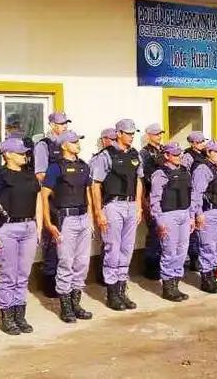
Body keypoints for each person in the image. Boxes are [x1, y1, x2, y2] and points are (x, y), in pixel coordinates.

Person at [0, 136, 43, 336]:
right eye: (20, 153)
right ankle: (7, 316)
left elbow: (38, 201)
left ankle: (20, 314)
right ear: (7, 155)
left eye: (25, 152)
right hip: (6, 230)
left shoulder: (29, 174)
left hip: (28, 228)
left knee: (23, 274)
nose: (25, 155)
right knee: (8, 275)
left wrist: (39, 227)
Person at [41, 130, 94, 323]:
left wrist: (92, 218)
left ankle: (76, 304)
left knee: (82, 264)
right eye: (73, 141)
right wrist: (47, 222)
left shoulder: (84, 166)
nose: (77, 144)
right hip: (66, 220)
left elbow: (88, 192)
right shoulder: (56, 168)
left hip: (83, 218)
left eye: (78, 141)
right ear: (64, 145)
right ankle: (65, 307)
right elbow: (44, 195)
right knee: (65, 262)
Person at [90, 118, 143, 311]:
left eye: (133, 133)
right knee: (113, 249)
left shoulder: (135, 154)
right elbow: (95, 184)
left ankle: (122, 290)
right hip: (113, 205)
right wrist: (98, 212)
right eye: (128, 133)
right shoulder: (106, 155)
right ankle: (112, 293)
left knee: (127, 250)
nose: (131, 137)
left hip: (130, 205)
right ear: (118, 133)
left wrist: (138, 205)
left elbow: (138, 180)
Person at [34, 111, 71, 298]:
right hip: (51, 199)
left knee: (65, 240)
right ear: (52, 125)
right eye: (61, 123)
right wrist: (57, 189)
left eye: (66, 123)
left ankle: (64, 281)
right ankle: (49, 281)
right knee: (51, 239)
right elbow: (40, 173)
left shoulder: (69, 144)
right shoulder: (44, 145)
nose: (64, 126)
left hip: (68, 200)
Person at [150, 142, 193, 302]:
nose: (178, 157)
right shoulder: (160, 174)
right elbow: (155, 200)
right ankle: (168, 287)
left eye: (179, 154)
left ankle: (176, 284)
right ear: (166, 155)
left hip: (184, 213)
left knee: (182, 251)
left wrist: (192, 216)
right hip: (168, 215)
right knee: (170, 251)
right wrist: (159, 221)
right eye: (174, 154)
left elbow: (190, 194)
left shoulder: (184, 171)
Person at [190, 140, 217, 293]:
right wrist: (198, 213)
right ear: (208, 153)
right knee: (208, 246)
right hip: (210, 212)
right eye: (216, 151)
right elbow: (196, 194)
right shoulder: (203, 169)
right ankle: (207, 280)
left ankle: (213, 276)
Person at [90, 128, 117, 286]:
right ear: (104, 140)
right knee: (108, 243)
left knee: (115, 243)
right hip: (106, 204)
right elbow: (95, 185)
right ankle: (103, 276)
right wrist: (97, 210)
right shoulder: (99, 159)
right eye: (110, 139)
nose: (113, 141)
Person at [139, 123, 165, 280]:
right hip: (151, 195)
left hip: (165, 196)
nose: (159, 136)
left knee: (164, 231)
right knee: (155, 231)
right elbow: (146, 177)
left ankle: (161, 264)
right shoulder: (144, 153)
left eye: (160, 133)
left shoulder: (163, 150)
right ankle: (151, 266)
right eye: (156, 134)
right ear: (149, 135)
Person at [181, 131, 207, 272]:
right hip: (192, 194)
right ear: (194, 143)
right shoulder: (188, 156)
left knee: (201, 228)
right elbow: (185, 175)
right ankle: (193, 258)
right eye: (201, 141)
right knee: (193, 229)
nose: (204, 144)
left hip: (203, 193)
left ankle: (199, 257)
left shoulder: (203, 155)